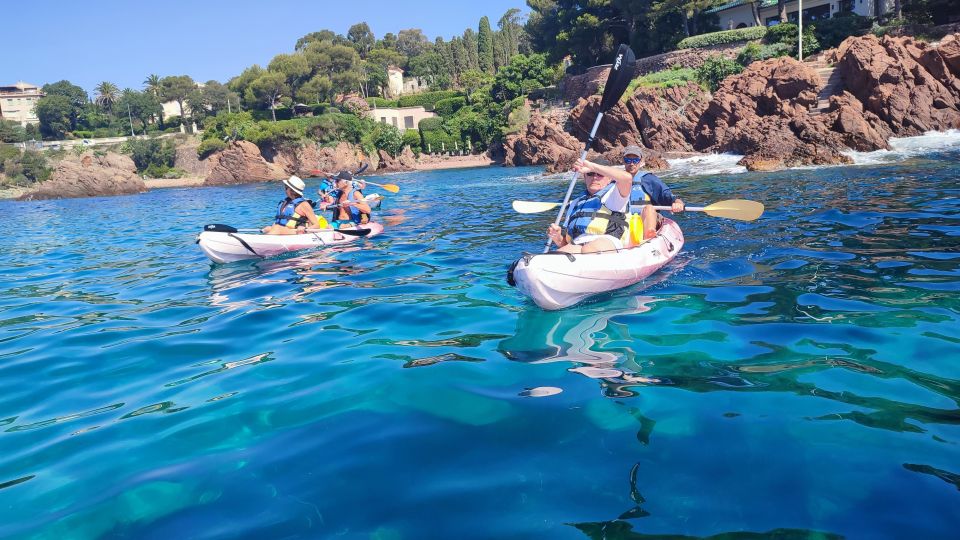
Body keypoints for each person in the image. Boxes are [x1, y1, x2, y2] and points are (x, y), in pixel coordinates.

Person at [546, 158, 634, 254]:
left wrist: (592, 167)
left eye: (599, 174)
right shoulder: (575, 203)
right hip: (578, 243)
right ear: (585, 177)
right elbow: (565, 243)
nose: (594, 177)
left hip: (608, 240)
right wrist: (557, 238)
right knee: (557, 256)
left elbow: (627, 178)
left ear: (609, 179)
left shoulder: (615, 195)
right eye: (590, 173)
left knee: (588, 250)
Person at [621, 145, 684, 240]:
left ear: (641, 161)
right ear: (623, 161)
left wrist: (678, 203)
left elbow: (669, 196)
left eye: (635, 160)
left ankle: (649, 236)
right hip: (623, 220)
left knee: (649, 209)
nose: (631, 164)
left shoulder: (649, 179)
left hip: (646, 218)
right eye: (628, 160)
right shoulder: (616, 180)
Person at [261, 175, 326, 235]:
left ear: (292, 190)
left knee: (277, 229)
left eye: (286, 187)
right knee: (270, 228)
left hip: (296, 232)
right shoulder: (285, 202)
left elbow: (317, 225)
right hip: (283, 231)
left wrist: (305, 229)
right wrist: (271, 227)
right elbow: (280, 220)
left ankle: (261, 244)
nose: (285, 189)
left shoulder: (304, 204)